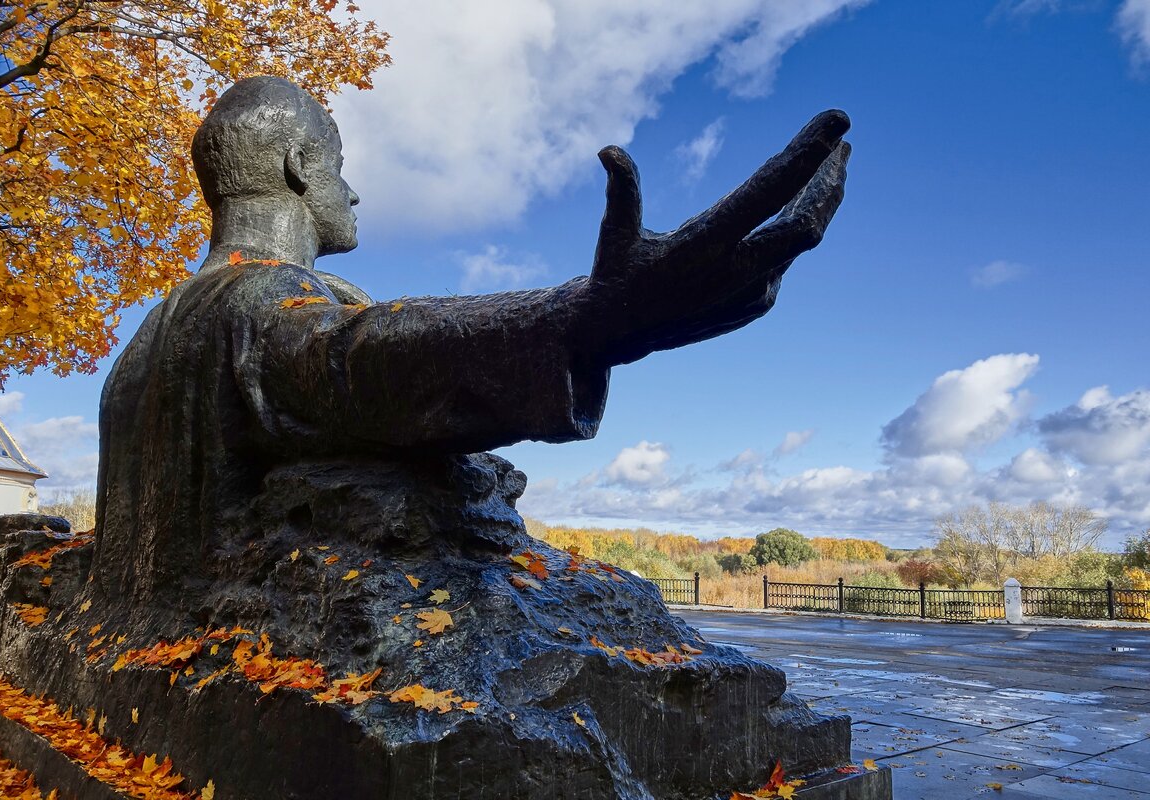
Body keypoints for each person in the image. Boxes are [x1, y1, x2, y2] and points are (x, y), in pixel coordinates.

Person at [90, 76, 850, 610]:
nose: (352, 193)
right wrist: (581, 320)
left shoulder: (141, 348)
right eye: (340, 169)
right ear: (299, 166)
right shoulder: (259, 299)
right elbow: (355, 360)